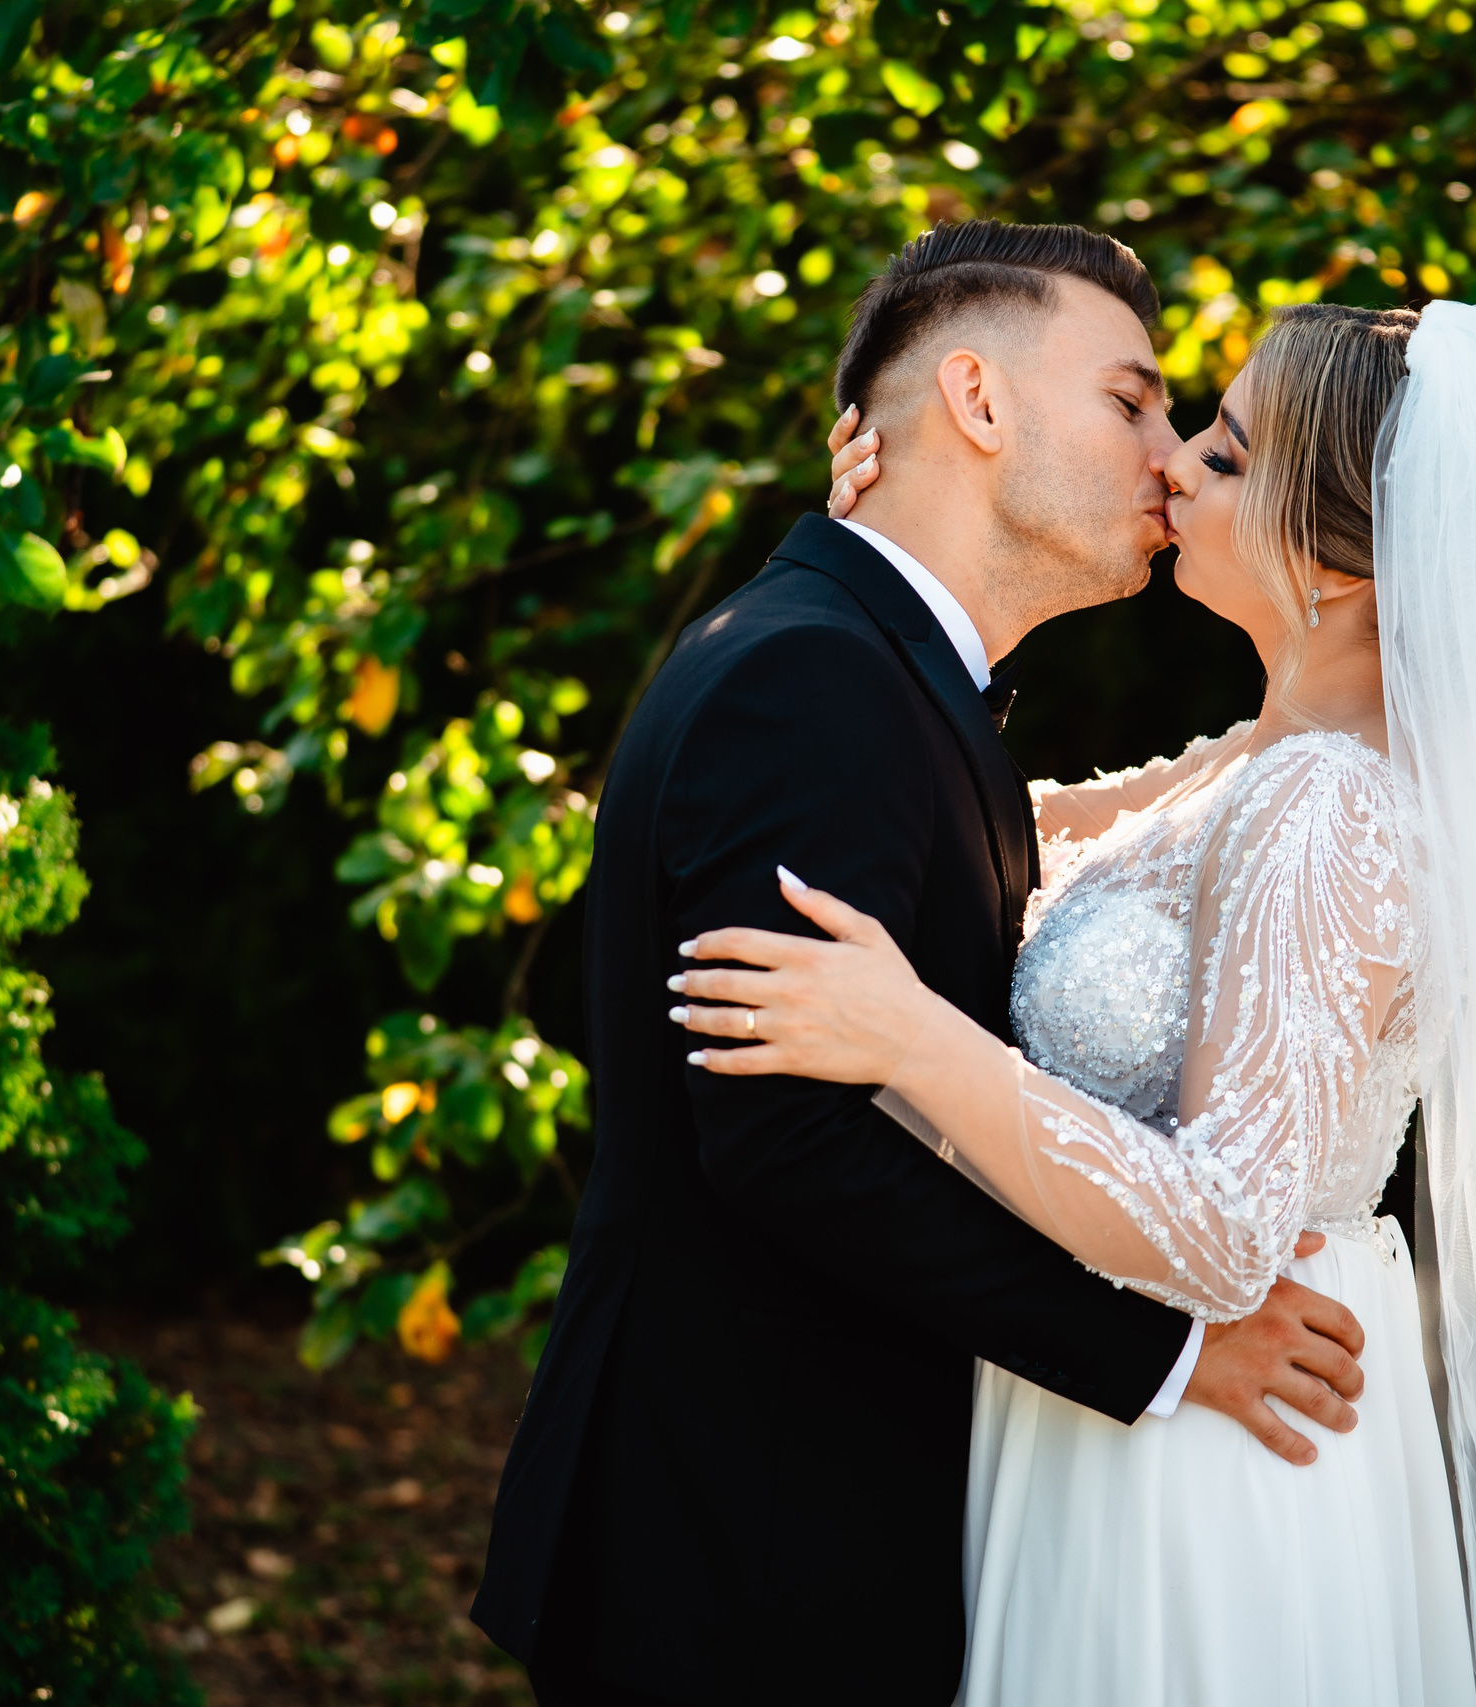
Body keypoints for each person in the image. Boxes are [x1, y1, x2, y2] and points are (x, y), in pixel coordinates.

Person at [676, 295, 1476, 1706]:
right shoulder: (1259, 767)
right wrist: (906, 544)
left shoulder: (1329, 812)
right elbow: (979, 826)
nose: (1171, 464)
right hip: (1130, 1416)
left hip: (1216, 1457)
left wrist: (912, 1041)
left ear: (1345, 563)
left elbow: (1218, 1233)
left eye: (1224, 450)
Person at [471, 224, 1375, 1707]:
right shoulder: (812, 680)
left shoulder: (852, 662)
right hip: (747, 1544)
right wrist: (1165, 1358)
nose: (1167, 456)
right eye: (1135, 400)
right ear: (976, 399)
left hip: (798, 1524)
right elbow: (788, 1144)